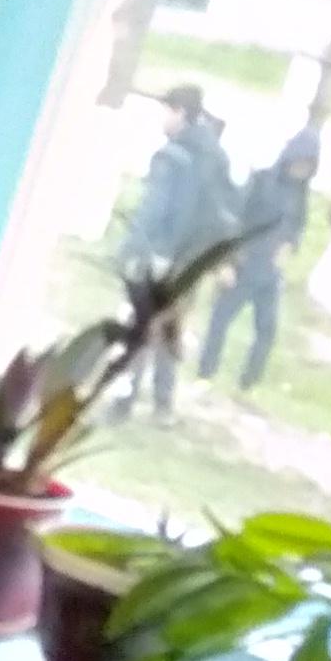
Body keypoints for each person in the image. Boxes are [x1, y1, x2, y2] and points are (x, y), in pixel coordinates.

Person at [116, 84, 234, 418]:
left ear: (179, 112)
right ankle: (163, 404)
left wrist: (130, 248)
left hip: (160, 255)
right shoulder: (216, 155)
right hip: (191, 260)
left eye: (164, 111)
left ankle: (124, 400)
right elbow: (223, 211)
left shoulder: (170, 158)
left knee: (141, 328)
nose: (161, 118)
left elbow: (154, 208)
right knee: (171, 328)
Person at [202, 128, 320, 391]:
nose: (302, 169)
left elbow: (297, 225)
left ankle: (248, 383)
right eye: (300, 162)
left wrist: (290, 244)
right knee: (220, 320)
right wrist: (226, 263)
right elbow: (234, 220)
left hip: (270, 272)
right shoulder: (261, 181)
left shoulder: (300, 194)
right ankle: (206, 373)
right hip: (243, 264)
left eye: (309, 166)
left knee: (267, 329)